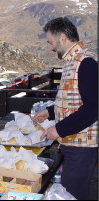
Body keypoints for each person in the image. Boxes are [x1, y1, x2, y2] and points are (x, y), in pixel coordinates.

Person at [33, 17, 98, 200]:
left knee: (73, 194)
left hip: (81, 146)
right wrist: (50, 111)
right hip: (71, 143)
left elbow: (92, 109)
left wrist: (58, 129)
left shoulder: (86, 63)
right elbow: (73, 99)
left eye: (51, 42)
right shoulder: (72, 61)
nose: (50, 48)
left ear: (62, 38)